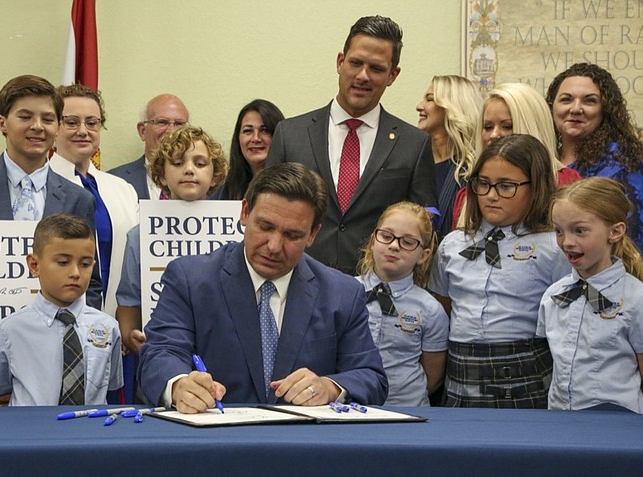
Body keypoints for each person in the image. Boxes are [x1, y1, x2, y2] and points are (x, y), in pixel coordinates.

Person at [138, 162, 387, 413]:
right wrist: (179, 385)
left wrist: (330, 387)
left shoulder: (342, 293)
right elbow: (158, 355)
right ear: (245, 212)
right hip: (215, 442)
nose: (274, 246)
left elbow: (371, 376)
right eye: (265, 227)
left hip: (308, 443)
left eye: (292, 235)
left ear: (313, 234)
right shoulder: (190, 279)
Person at [267, 15, 436, 275]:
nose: (363, 76)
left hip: (375, 294)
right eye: (356, 63)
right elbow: (268, 211)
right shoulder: (290, 134)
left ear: (393, 75)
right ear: (340, 62)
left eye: (377, 68)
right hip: (296, 282)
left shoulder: (414, 145)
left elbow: (424, 226)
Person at [429, 134, 570, 408]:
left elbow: (565, 322)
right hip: (461, 376)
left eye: (507, 186)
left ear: (536, 187)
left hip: (526, 376)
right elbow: (441, 310)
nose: (492, 196)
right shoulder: (452, 245)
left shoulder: (553, 247)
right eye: (483, 184)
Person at [0, 75, 101, 308]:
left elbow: (90, 282)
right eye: (25, 117)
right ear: (2, 122)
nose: (37, 126)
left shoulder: (79, 198)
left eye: (48, 119)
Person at [0, 214, 123, 406]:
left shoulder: (108, 327)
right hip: (31, 431)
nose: (75, 273)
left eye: (85, 264)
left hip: (91, 431)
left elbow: (111, 386)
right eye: (63, 262)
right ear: (34, 265)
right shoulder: (11, 329)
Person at [116, 125, 227, 356]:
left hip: (224, 351)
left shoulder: (238, 233)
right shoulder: (140, 235)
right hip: (162, 351)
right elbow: (129, 300)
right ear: (161, 176)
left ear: (214, 175)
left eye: (200, 163)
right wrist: (129, 334)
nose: (189, 170)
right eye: (177, 163)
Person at [538, 178, 643, 413]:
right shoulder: (553, 296)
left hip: (618, 425)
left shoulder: (637, 299)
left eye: (579, 231)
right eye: (558, 231)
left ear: (615, 232)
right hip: (561, 420)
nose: (567, 242)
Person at [49, 83, 139, 315]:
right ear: (54, 127)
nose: (83, 130)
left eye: (92, 123)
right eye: (71, 122)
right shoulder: (40, 186)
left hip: (118, 320)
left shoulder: (122, 189)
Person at [356, 201, 448, 406]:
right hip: (351, 407)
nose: (394, 245)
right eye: (386, 236)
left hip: (408, 409)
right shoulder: (345, 292)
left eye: (407, 242)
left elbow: (433, 377)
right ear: (373, 241)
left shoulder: (430, 309)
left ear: (423, 255)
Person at [452, 82, 581, 227]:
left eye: (507, 126)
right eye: (488, 127)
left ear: (531, 127)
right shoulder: (468, 195)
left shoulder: (565, 184)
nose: (494, 135)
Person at [546, 63, 643, 249]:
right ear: (551, 107)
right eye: (566, 100)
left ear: (605, 110)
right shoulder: (543, 155)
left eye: (589, 101)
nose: (575, 109)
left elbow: (632, 237)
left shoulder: (622, 161)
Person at [414, 75, 482, 237]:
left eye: (429, 99)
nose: (419, 106)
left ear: (452, 108)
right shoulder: (412, 162)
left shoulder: (474, 171)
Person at [108, 94, 189, 200]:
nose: (171, 131)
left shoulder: (211, 185)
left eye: (179, 124)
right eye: (162, 122)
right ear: (143, 131)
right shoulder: (114, 181)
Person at [218, 99, 285, 200]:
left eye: (264, 130)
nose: (256, 139)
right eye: (248, 131)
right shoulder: (223, 190)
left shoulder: (296, 187)